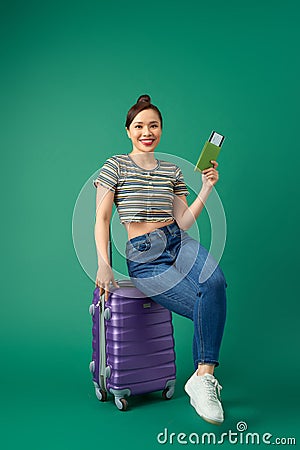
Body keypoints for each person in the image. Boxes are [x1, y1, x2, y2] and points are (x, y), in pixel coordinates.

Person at [93, 94, 228, 425]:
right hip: (144, 255)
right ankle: (203, 377)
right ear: (128, 131)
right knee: (203, 308)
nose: (146, 131)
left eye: (153, 125)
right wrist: (104, 264)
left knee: (215, 283)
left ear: (161, 129)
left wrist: (206, 188)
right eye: (139, 126)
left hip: (178, 241)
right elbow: (102, 218)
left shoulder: (172, 170)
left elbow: (182, 221)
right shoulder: (115, 166)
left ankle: (203, 377)